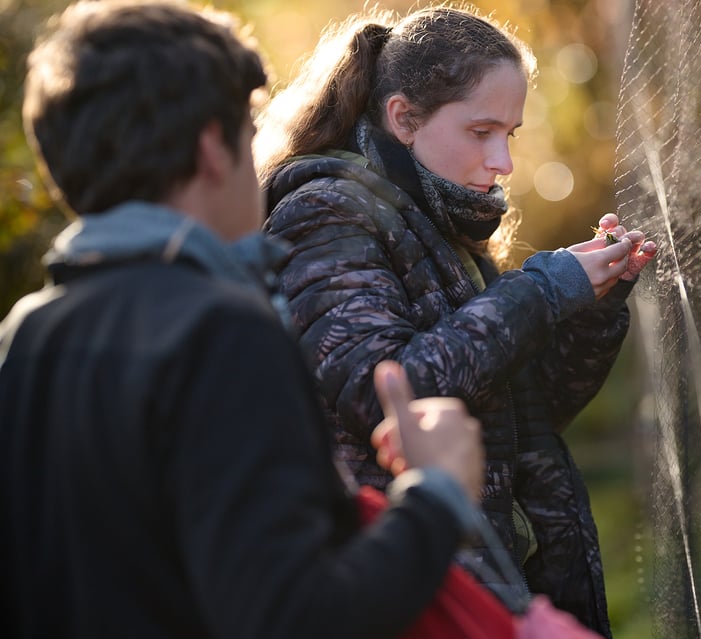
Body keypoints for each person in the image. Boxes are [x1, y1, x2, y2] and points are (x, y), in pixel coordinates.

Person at [0, 2, 486, 637]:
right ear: (211, 147)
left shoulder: (25, 334)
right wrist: (437, 495)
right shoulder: (220, 332)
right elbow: (297, 617)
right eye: (247, 127)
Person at [254, 5, 657, 636]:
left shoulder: (442, 225)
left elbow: (526, 414)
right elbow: (384, 395)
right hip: (402, 593)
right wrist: (544, 291)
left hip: (481, 582)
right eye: (481, 131)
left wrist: (591, 307)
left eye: (512, 134)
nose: (504, 162)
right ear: (404, 119)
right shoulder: (325, 214)